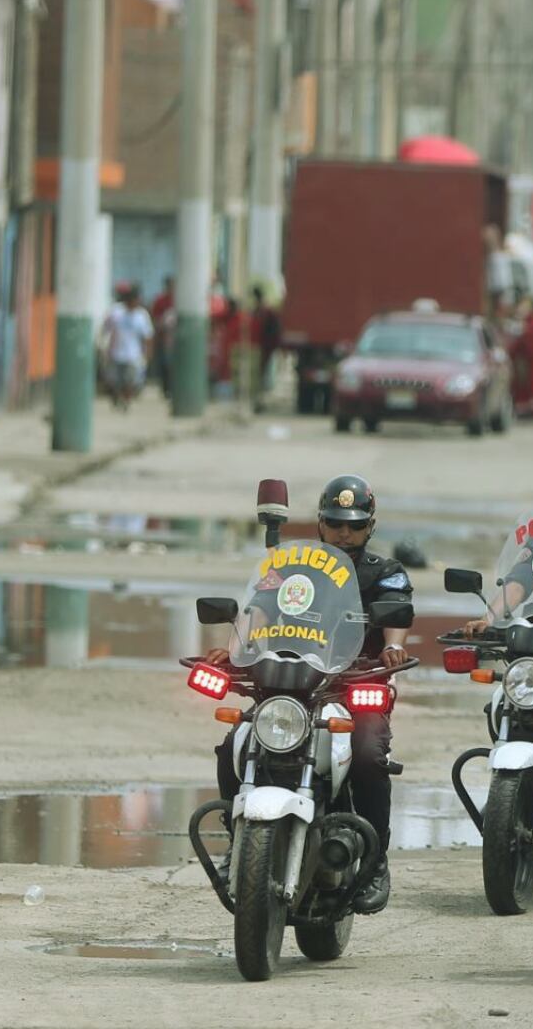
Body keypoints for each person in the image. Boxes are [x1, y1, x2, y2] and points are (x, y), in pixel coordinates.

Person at [208, 475, 412, 914]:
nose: (344, 532)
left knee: (367, 755)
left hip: (354, 684)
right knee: (233, 748)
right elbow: (257, 609)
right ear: (320, 523)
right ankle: (237, 841)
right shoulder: (291, 568)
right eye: (335, 523)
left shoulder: (386, 573)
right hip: (287, 681)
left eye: (354, 525)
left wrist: (393, 647)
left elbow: (396, 618)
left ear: (370, 526)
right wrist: (233, 651)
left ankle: (376, 862)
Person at [103, 283, 154, 410]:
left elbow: (147, 336)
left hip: (133, 355)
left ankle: (126, 401)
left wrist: (147, 354)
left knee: (130, 381)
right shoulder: (116, 313)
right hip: (115, 353)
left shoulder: (142, 316)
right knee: (114, 381)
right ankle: (116, 397)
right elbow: (106, 329)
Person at [250, 285, 281, 409]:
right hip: (261, 347)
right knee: (259, 373)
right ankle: (258, 400)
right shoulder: (264, 310)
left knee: (260, 374)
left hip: (263, 346)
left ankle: (259, 400)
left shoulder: (265, 311)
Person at [150, 277, 176, 400]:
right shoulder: (161, 300)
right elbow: (155, 319)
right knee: (166, 366)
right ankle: (167, 390)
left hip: (176, 340)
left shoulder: (180, 299)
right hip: (164, 339)